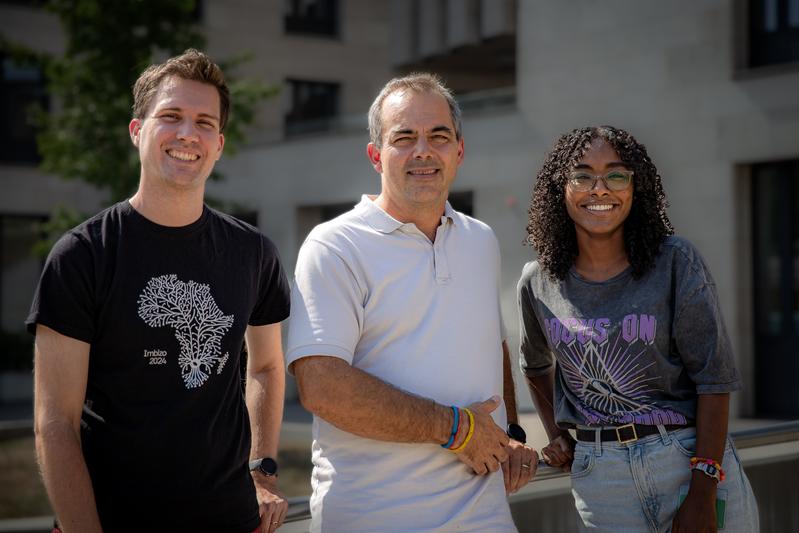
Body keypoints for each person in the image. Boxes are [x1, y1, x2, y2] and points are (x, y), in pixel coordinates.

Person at [28, 49, 291, 533]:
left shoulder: (254, 253)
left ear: (219, 144)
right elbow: (55, 424)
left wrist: (263, 468)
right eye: (171, 116)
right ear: (137, 132)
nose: (188, 134)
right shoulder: (82, 255)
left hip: (230, 520)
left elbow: (269, 366)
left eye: (204, 122)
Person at [286, 73, 538, 532]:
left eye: (438, 136)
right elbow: (321, 386)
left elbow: (492, 343)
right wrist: (457, 430)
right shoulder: (334, 246)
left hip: (487, 517)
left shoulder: (480, 240)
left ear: (459, 151)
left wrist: (512, 434)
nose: (423, 150)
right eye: (404, 137)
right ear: (376, 155)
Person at [518, 125, 759, 532]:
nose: (600, 189)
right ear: (561, 188)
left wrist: (702, 490)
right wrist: (557, 434)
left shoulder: (675, 262)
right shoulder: (538, 282)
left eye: (616, 175)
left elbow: (714, 380)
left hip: (685, 460)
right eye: (582, 175)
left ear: (635, 187)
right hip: (602, 481)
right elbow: (534, 363)